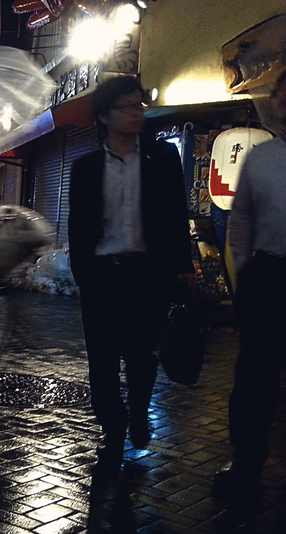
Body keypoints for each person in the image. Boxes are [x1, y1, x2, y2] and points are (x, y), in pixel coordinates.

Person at [68, 76, 193, 471]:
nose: (136, 113)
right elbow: (77, 227)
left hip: (147, 275)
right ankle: (113, 426)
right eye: (126, 106)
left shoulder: (163, 157)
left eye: (139, 105)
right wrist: (82, 274)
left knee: (142, 355)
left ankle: (138, 411)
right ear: (105, 116)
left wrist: (183, 264)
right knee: (101, 359)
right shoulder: (85, 167)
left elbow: (176, 214)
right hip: (102, 275)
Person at [215, 73, 286, 496]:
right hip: (268, 272)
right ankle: (245, 457)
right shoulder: (260, 157)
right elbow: (240, 219)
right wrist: (244, 272)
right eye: (280, 93)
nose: (283, 100)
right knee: (255, 373)